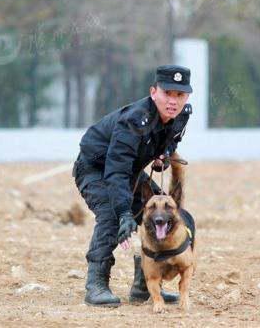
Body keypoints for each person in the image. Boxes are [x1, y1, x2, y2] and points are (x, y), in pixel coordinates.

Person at [72, 65, 193, 306]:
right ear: (153, 92)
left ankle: (145, 285)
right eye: (167, 93)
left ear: (187, 97)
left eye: (179, 95)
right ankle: (96, 284)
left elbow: (170, 141)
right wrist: (125, 212)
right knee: (111, 214)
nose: (173, 101)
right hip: (96, 169)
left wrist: (164, 155)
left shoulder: (182, 114)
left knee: (158, 209)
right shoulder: (134, 120)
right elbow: (116, 171)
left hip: (130, 171)